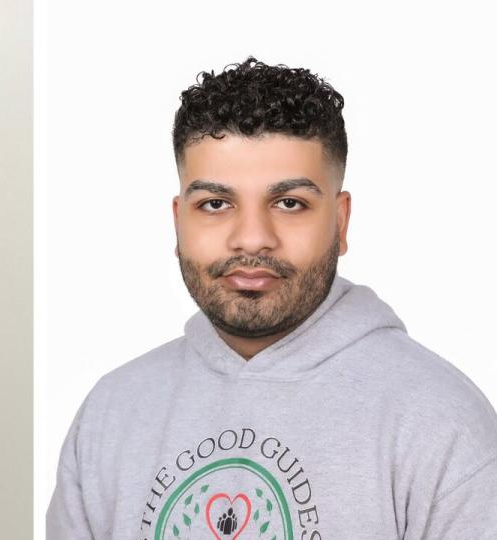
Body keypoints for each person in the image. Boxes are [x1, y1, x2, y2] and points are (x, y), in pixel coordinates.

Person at [47, 57, 497, 539]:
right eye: (216, 204)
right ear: (178, 221)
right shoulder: (111, 412)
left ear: (340, 222)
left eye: (289, 203)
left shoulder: (442, 422)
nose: (252, 239)